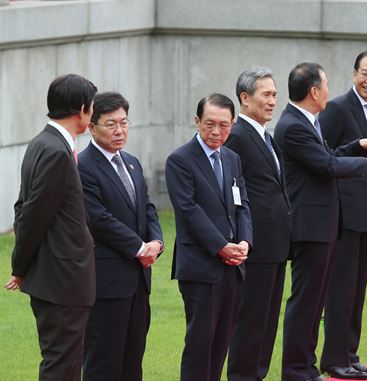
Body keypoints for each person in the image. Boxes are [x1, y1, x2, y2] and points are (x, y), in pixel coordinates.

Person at [274, 62, 367, 381]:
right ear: (314, 91)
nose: (329, 89)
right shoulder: (294, 125)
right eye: (325, 84)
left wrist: (356, 146)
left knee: (314, 303)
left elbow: (326, 155)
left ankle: (308, 367)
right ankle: (297, 369)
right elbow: (326, 165)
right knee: (306, 303)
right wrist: (363, 162)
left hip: (323, 224)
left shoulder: (307, 121)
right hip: (309, 226)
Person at [5, 74, 97, 381]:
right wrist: (20, 266)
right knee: (63, 364)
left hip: (55, 278)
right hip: (63, 281)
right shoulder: (56, 151)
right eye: (92, 106)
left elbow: (23, 208)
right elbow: (32, 214)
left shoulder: (42, 142)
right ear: (82, 109)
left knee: (65, 361)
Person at [165, 93, 252, 381]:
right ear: (196, 121)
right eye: (209, 124)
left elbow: (242, 205)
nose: (216, 132)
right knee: (200, 343)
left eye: (224, 125)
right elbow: (188, 210)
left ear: (233, 124)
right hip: (201, 266)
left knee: (221, 342)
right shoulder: (180, 160)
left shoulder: (232, 158)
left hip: (233, 265)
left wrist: (244, 242)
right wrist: (220, 246)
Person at [79, 92, 164, 381]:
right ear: (92, 127)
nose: (119, 131)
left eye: (124, 123)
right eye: (111, 124)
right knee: (104, 363)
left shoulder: (131, 162)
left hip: (139, 282)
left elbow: (148, 207)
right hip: (107, 282)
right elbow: (98, 218)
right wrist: (139, 248)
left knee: (132, 361)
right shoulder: (83, 166)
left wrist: (156, 242)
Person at [319, 49, 367, 380]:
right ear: (353, 73)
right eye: (365, 73)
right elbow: (325, 156)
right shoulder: (337, 108)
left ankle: (350, 353)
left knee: (358, 288)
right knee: (341, 289)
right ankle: (334, 359)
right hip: (344, 215)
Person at [226, 68, 293, 381]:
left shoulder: (266, 135)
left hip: (275, 243)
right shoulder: (237, 136)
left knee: (266, 320)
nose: (272, 101)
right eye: (265, 94)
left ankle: (257, 374)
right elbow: (233, 192)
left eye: (274, 94)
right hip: (254, 245)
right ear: (245, 98)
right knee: (251, 319)